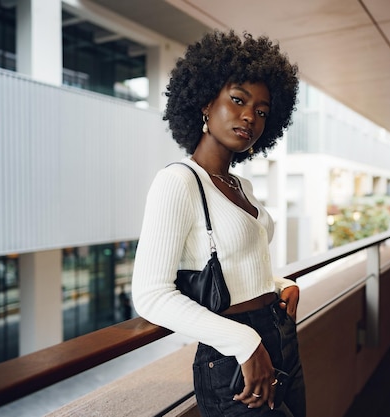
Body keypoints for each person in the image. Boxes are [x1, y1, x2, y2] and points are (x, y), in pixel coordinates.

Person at [131, 30, 304, 417]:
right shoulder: (177, 181)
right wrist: (245, 343)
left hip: (278, 335)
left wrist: (279, 285)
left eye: (262, 111)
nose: (250, 116)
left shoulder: (240, 184)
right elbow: (150, 295)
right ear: (206, 103)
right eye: (238, 100)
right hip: (235, 356)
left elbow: (237, 263)